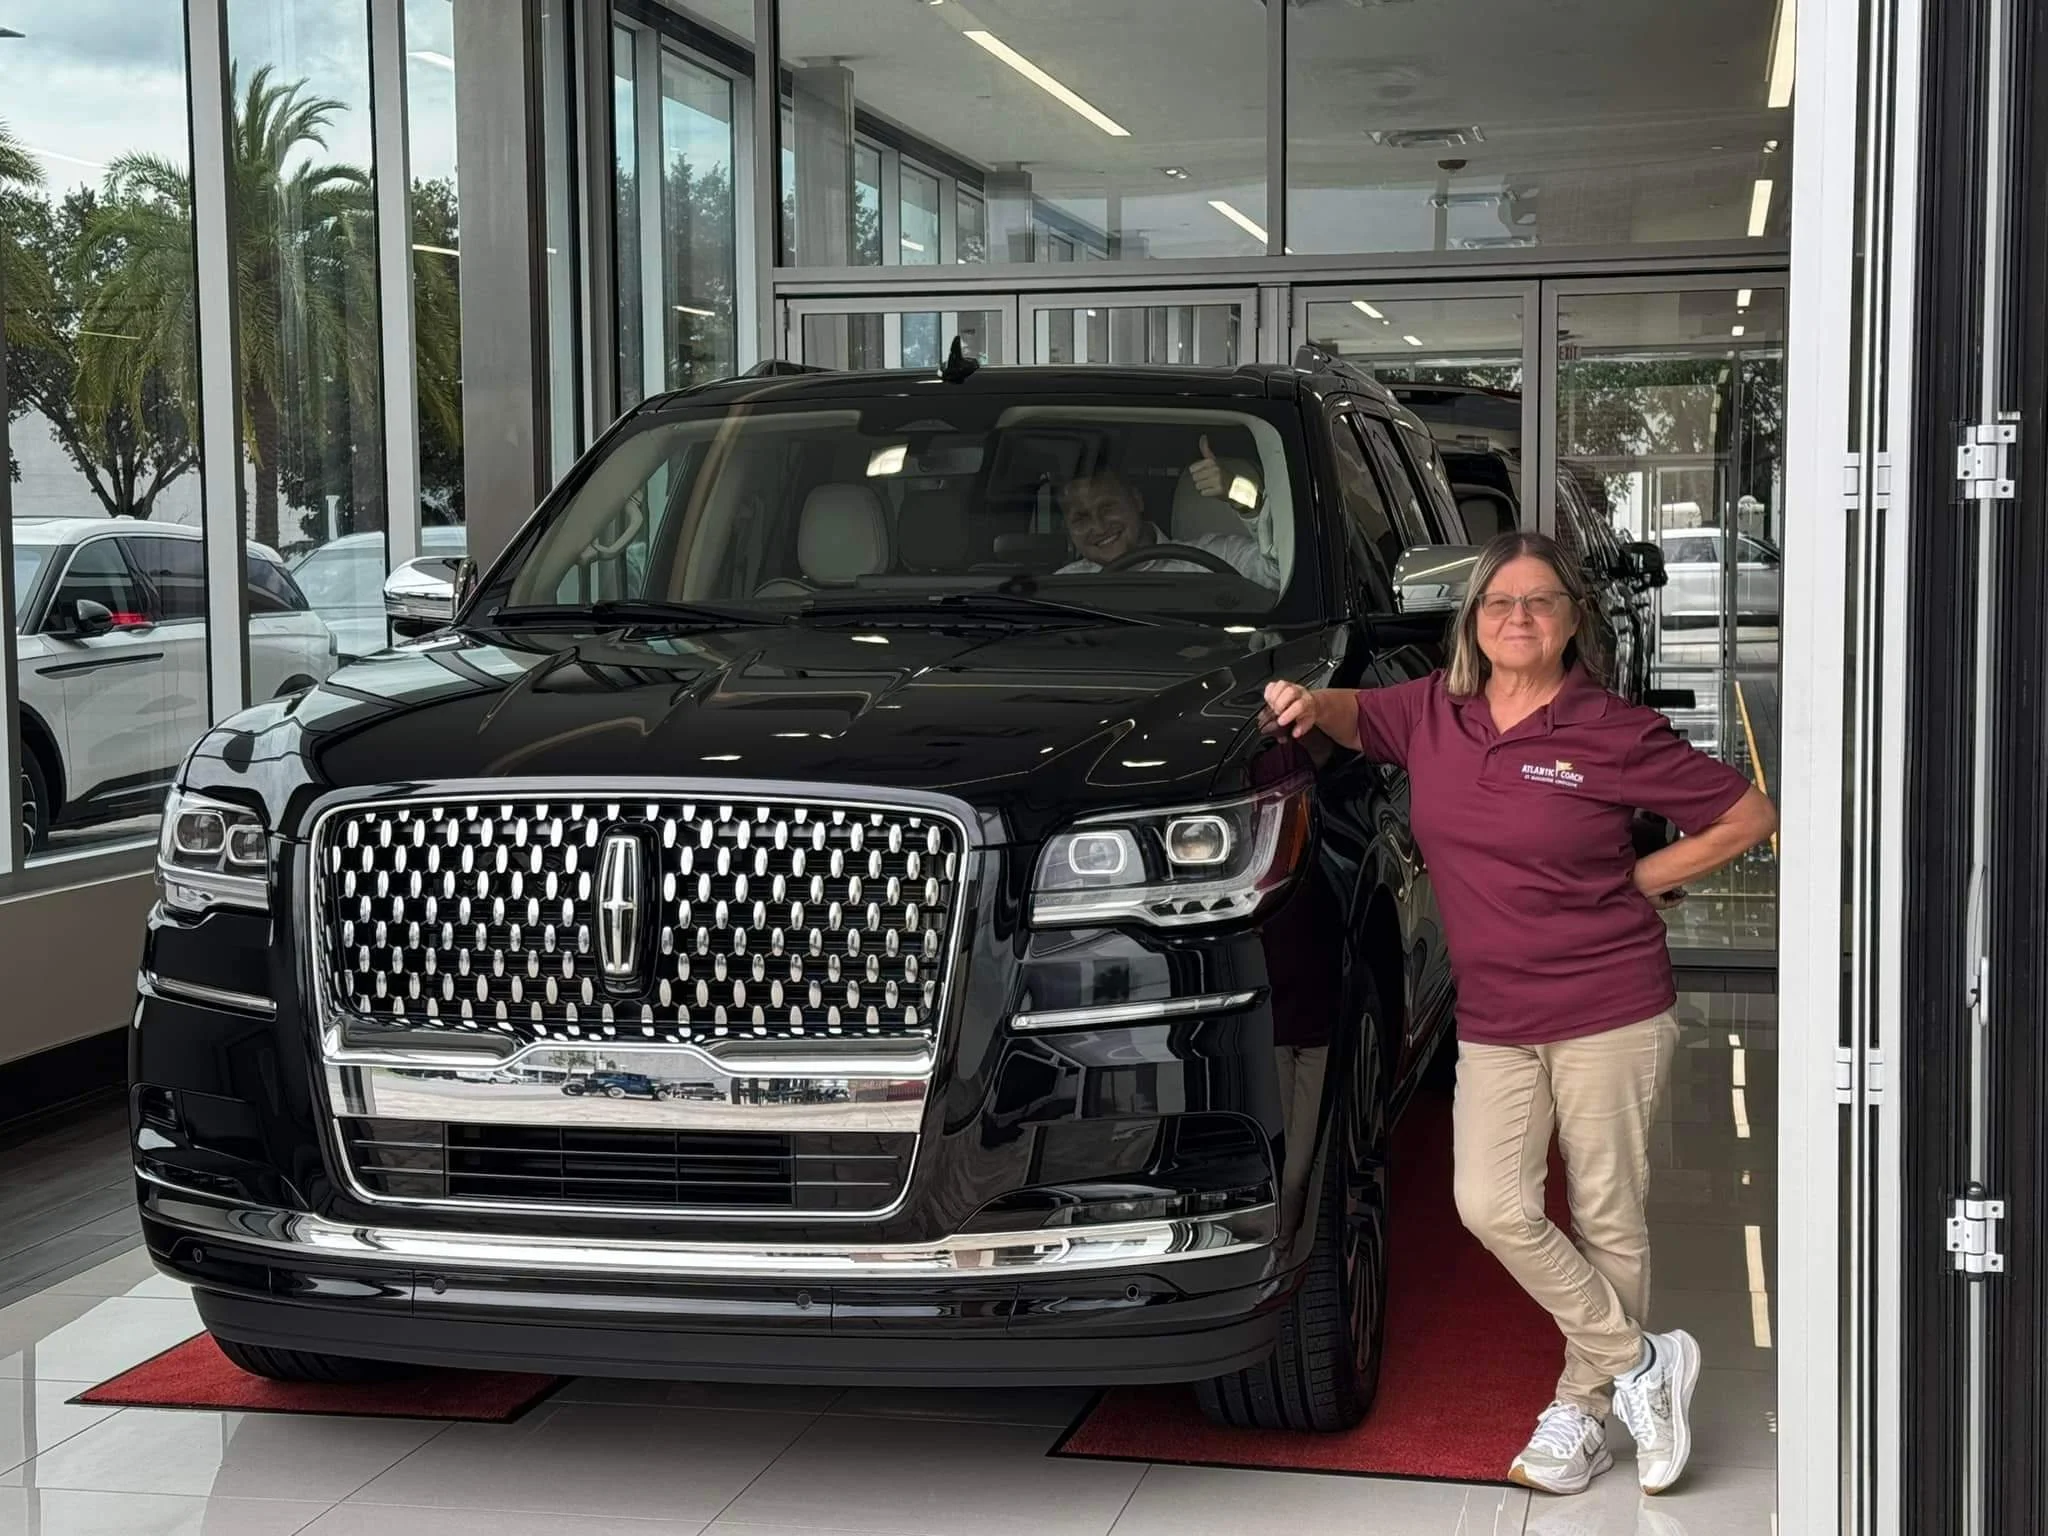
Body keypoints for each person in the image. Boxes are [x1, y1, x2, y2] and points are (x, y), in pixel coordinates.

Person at [1262, 531, 1777, 1499]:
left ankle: (1580, 1413)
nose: (1517, 619)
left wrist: (1641, 877)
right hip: (1494, 1013)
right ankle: (1640, 1362)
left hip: (1607, 1003)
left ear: (1571, 620)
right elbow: (1343, 712)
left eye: (1539, 603)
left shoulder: (1610, 731)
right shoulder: (1431, 711)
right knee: (1489, 1204)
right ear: (1472, 621)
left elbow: (1745, 813)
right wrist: (1298, 701)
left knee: (1604, 1214)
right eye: (1498, 604)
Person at [1056, 438, 1281, 589]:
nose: (1098, 525)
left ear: (1137, 500)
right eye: (1081, 518)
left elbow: (1281, 573)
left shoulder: (1215, 559)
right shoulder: (1065, 586)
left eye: (1108, 508)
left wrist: (1241, 493)